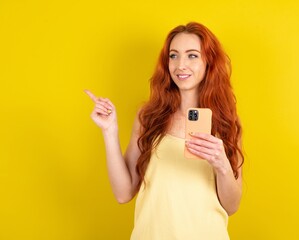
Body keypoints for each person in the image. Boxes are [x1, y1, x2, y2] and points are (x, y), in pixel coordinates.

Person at [85, 22, 244, 240]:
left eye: (192, 55)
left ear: (209, 61)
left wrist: (222, 165)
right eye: (173, 55)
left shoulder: (225, 121)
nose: (180, 65)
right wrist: (110, 131)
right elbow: (123, 193)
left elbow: (232, 205)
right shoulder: (149, 116)